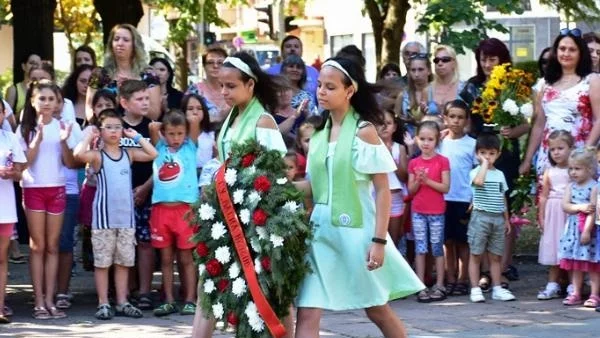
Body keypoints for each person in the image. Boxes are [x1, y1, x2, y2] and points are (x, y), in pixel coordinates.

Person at [294, 56, 423, 338]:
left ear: (349, 90)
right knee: (307, 309)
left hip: (356, 233)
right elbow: (316, 187)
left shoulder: (364, 131)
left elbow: (383, 189)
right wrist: (273, 188)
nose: (322, 92)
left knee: (376, 308)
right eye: (320, 86)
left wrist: (378, 241)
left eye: (330, 86)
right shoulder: (318, 133)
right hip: (320, 232)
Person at [191, 51, 287, 338]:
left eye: (231, 86)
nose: (224, 92)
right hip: (225, 213)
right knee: (207, 285)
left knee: (256, 294)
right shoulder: (232, 116)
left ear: (250, 85)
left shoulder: (263, 121)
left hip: (252, 219)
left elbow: (276, 174)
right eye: (221, 85)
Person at [74, 108, 157, 320]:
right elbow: (78, 154)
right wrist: (88, 136)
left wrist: (136, 136)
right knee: (102, 262)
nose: (113, 131)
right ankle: (103, 302)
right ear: (101, 131)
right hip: (103, 220)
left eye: (117, 127)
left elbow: (152, 154)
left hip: (126, 219)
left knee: (124, 261)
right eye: (108, 127)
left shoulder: (128, 154)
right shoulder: (98, 156)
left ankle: (122, 301)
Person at [461, 38, 528, 289]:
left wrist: (514, 131)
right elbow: (466, 122)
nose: (487, 64)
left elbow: (528, 122)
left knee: (503, 207)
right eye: (483, 59)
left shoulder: (515, 86)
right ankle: (487, 270)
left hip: (506, 155)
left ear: (502, 60)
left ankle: (504, 265)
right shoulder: (472, 87)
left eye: (492, 59)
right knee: (482, 207)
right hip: (481, 154)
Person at [16, 80, 77, 319]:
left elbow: (71, 163)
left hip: (58, 189)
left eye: (52, 99)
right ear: (32, 101)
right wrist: (38, 137)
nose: (47, 103)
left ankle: (51, 300)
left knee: (53, 247)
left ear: (58, 102)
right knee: (37, 246)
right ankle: (38, 301)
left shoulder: (63, 126)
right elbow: (24, 164)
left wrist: (63, 140)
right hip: (34, 188)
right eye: (42, 99)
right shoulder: (25, 128)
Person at [521, 28, 600, 178]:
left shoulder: (592, 80)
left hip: (579, 156)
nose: (566, 53)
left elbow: (599, 119)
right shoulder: (545, 84)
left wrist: (586, 152)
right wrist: (527, 159)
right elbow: (539, 125)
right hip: (549, 154)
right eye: (562, 49)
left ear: (580, 53)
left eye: (572, 50)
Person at [148, 110, 201, 317]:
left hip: (185, 211)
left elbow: (194, 122)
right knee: (166, 259)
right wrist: (158, 129)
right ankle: (168, 299)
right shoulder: (159, 146)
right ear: (164, 133)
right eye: (171, 133)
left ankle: (190, 299)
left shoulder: (190, 147)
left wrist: (186, 122)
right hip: (161, 211)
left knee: (186, 258)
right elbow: (154, 128)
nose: (176, 138)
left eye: (180, 133)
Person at [118, 80, 155, 310]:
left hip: (147, 191)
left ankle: (144, 290)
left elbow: (162, 161)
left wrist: (145, 188)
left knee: (145, 243)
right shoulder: (115, 126)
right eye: (139, 99)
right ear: (124, 102)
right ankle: (125, 289)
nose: (145, 103)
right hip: (120, 194)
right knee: (123, 243)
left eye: (147, 99)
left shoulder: (152, 127)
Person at [468, 133, 516, 303]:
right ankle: (475, 288)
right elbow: (479, 182)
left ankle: (497, 287)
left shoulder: (500, 175)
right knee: (476, 254)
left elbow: (502, 196)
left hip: (497, 218)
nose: (487, 157)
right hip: (480, 217)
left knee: (495, 255)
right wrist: (484, 165)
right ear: (476, 153)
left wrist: (506, 219)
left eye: (491, 153)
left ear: (498, 154)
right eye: (483, 153)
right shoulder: (475, 172)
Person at [407, 120, 450, 302]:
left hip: (437, 211)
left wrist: (427, 180)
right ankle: (420, 285)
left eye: (430, 139)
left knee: (437, 247)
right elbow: (411, 190)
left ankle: (439, 284)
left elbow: (445, 187)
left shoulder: (443, 161)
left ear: (437, 140)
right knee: (420, 248)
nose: (426, 143)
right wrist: (418, 180)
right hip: (418, 211)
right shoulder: (414, 163)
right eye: (422, 139)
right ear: (417, 139)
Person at [440, 100, 477, 296]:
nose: (456, 121)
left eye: (460, 117)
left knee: (463, 242)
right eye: (452, 116)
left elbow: (477, 171)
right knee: (447, 242)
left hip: (464, 198)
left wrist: (474, 198)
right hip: (443, 198)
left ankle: (464, 279)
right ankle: (450, 277)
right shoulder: (440, 143)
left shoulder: (471, 144)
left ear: (466, 120)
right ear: (445, 119)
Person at [86, 24, 161, 121]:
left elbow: (155, 114)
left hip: (140, 133)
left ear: (135, 45)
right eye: (116, 39)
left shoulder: (149, 75)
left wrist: (131, 97)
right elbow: (90, 113)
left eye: (126, 40)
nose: (120, 43)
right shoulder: (98, 75)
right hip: (108, 131)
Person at [79, 90, 117, 271]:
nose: (103, 109)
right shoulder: (89, 130)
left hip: (114, 191)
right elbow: (80, 156)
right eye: (99, 105)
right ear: (93, 109)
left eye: (108, 105)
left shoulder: (120, 130)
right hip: (93, 188)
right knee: (93, 234)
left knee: (113, 235)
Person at [559, 147, 600, 306]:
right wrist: (578, 208)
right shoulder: (571, 186)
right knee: (576, 262)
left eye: (577, 168)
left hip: (588, 230)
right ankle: (575, 291)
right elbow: (565, 205)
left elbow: (593, 210)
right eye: (571, 169)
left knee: (592, 264)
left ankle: (594, 294)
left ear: (589, 169)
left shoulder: (595, 187)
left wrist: (587, 231)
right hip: (572, 229)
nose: (573, 172)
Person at [536, 130, 572, 300]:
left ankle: (573, 285)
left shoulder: (574, 171)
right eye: (552, 149)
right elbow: (543, 195)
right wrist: (542, 216)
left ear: (570, 149)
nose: (556, 152)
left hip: (569, 212)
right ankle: (552, 284)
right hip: (553, 211)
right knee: (554, 247)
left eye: (560, 148)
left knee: (571, 248)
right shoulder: (549, 171)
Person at [0, 101, 27, 324]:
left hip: (5, 207)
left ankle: (0, 306)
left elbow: (20, 172)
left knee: (2, 259)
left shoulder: (9, 138)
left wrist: (12, 173)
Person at [377, 110, 408, 247]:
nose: (384, 126)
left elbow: (403, 176)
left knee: (393, 240)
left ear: (394, 127)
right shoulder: (372, 148)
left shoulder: (399, 148)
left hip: (395, 197)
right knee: (378, 237)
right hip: (375, 197)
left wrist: (391, 158)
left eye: (388, 123)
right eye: (380, 123)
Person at [267, 35, 319, 99]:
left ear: (302, 51)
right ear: (282, 51)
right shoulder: (270, 72)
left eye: (296, 46)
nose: (292, 49)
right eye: (288, 46)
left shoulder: (313, 72)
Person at [187, 47, 230, 123]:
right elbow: (186, 118)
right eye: (210, 62)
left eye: (220, 63)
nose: (215, 66)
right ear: (204, 66)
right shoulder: (194, 90)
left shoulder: (234, 89)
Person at [180, 94, 214, 176]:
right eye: (190, 109)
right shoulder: (178, 134)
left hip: (207, 175)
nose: (195, 112)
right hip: (186, 175)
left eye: (199, 108)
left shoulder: (211, 133)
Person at [5, 53, 41, 119]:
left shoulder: (45, 89)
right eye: (32, 63)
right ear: (23, 66)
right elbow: (6, 120)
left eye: (37, 64)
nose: (34, 66)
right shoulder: (13, 90)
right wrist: (28, 108)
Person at [431, 45, 464, 114]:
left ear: (454, 63)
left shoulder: (464, 88)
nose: (440, 63)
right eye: (436, 60)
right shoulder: (427, 89)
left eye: (445, 60)